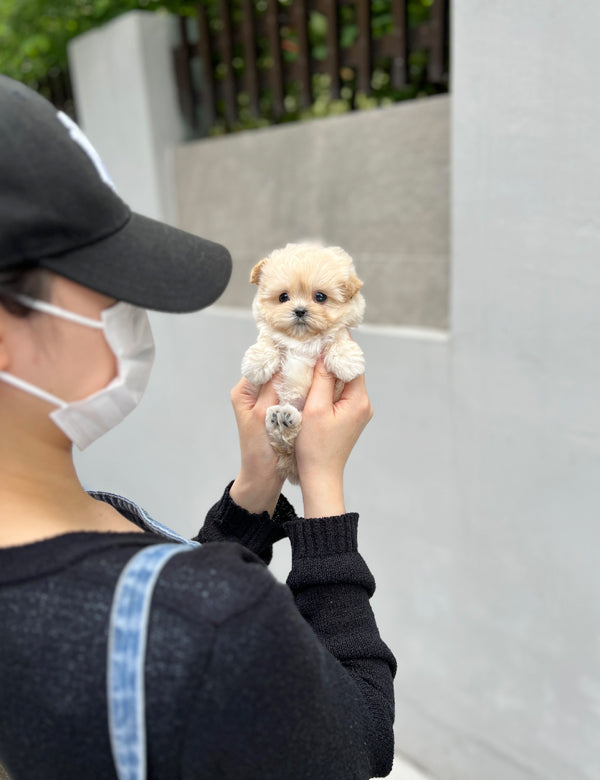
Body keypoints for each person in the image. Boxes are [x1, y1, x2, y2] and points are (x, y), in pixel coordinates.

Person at [0, 75, 396, 779]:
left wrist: (254, 493)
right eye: (104, 279)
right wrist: (323, 493)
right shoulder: (214, 627)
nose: (132, 306)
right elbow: (359, 738)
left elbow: (159, 590)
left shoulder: (109, 545)